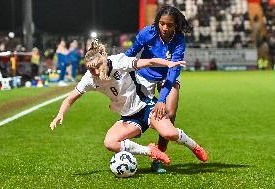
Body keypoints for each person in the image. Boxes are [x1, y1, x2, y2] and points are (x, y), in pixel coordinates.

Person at [50, 41, 208, 170]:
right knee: (110, 143)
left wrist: (168, 63)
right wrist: (60, 114)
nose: (96, 72)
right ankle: (150, 151)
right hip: (129, 117)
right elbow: (69, 99)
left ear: (104, 60)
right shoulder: (89, 79)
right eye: (91, 69)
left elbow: (149, 61)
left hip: (146, 106)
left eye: (98, 66)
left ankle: (194, 146)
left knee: (170, 134)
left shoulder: (119, 61)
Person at [125, 5, 192, 173]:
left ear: (176, 24)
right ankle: (134, 136)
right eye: (161, 23)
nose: (165, 28)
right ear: (157, 22)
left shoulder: (179, 40)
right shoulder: (147, 33)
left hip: (168, 76)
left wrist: (161, 100)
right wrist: (114, 66)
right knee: (133, 111)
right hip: (144, 75)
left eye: (169, 24)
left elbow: (173, 71)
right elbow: (131, 53)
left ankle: (159, 157)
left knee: (169, 112)